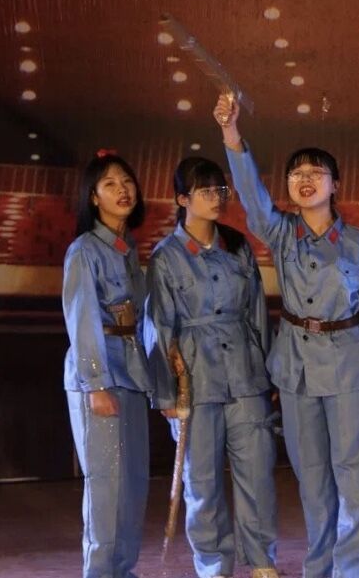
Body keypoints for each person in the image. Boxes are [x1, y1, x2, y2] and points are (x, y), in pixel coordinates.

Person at [213, 94, 359, 578]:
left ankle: (351, 571)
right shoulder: (281, 234)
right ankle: (318, 569)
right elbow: (253, 200)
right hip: (296, 367)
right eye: (297, 173)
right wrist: (231, 134)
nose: (305, 179)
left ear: (335, 185)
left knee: (355, 478)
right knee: (312, 479)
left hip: (351, 367)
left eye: (317, 172)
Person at [145, 156, 278, 578]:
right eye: (205, 191)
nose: (216, 198)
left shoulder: (238, 247)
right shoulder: (166, 257)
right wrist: (166, 392)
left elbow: (258, 315)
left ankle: (261, 562)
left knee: (257, 475)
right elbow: (158, 327)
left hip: (246, 376)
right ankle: (213, 566)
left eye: (220, 190)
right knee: (201, 483)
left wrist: (269, 373)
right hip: (194, 382)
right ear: (182, 199)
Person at [62, 151, 153, 578]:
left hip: (131, 373)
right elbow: (81, 319)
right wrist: (96, 384)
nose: (123, 190)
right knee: (106, 487)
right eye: (110, 184)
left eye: (127, 181)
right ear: (93, 197)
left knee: (132, 484)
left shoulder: (127, 249)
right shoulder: (85, 250)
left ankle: (123, 570)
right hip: (99, 378)